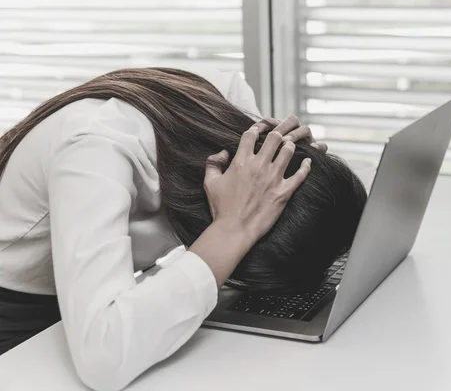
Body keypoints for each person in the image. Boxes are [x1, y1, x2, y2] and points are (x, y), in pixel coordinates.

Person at [0, 67, 367, 389]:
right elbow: (102, 357)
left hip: (100, 285)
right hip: (22, 309)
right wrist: (232, 230)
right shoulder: (96, 152)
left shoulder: (227, 102)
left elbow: (270, 195)